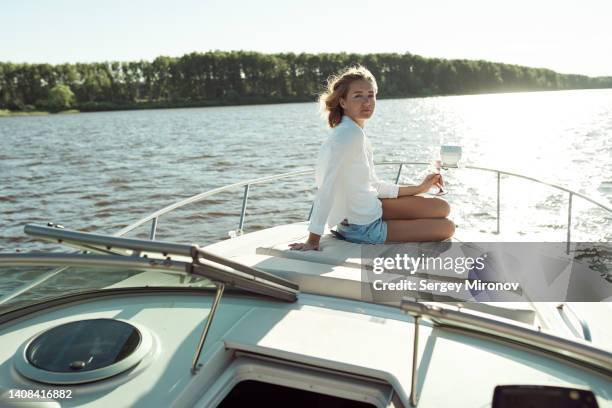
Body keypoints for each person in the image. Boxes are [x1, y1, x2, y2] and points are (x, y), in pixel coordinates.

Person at [289, 66, 454, 251]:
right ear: (343, 102)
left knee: (442, 208)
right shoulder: (349, 135)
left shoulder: (352, 131)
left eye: (370, 95)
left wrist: (419, 188)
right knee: (447, 227)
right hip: (362, 227)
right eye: (358, 95)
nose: (367, 101)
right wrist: (313, 239)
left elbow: (372, 185)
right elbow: (328, 187)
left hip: (370, 208)